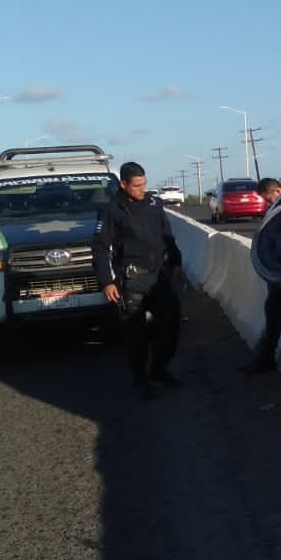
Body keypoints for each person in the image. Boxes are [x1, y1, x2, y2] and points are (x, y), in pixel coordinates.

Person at [93, 161, 185, 399]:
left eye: (144, 184)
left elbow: (167, 236)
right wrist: (107, 281)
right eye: (136, 186)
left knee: (171, 323)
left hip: (158, 275)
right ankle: (140, 379)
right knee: (137, 335)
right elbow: (101, 248)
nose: (142, 189)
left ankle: (159, 370)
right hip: (131, 279)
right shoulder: (112, 210)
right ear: (123, 185)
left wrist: (176, 262)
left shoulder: (155, 203)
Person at [241, 177, 281, 374]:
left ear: (278, 191)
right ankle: (263, 355)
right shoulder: (280, 204)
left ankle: (265, 358)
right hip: (279, 265)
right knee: (271, 308)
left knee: (273, 308)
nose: (268, 204)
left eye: (268, 200)